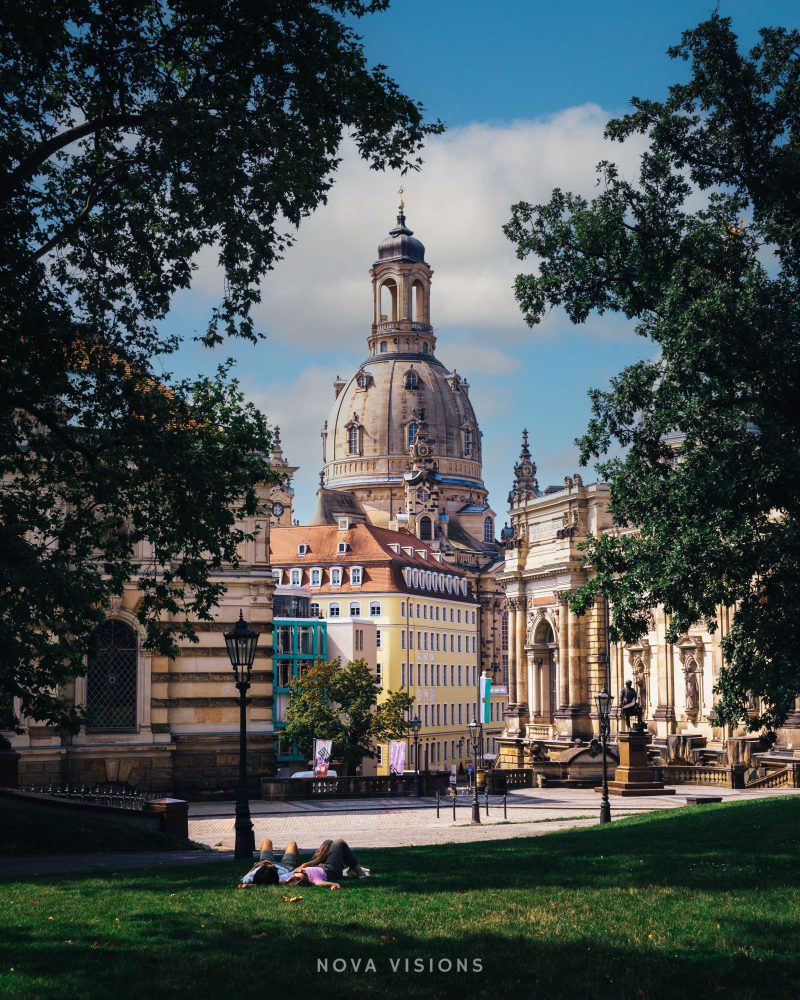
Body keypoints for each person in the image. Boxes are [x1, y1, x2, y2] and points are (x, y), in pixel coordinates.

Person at [237, 837, 370, 892]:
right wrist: (315, 861)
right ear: (275, 874)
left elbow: (245, 884)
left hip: (308, 868)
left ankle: (349, 871)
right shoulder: (282, 878)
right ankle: (360, 873)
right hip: (293, 868)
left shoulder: (252, 876)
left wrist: (257, 865)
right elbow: (316, 880)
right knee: (336, 843)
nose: (269, 864)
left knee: (268, 841)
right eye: (270, 866)